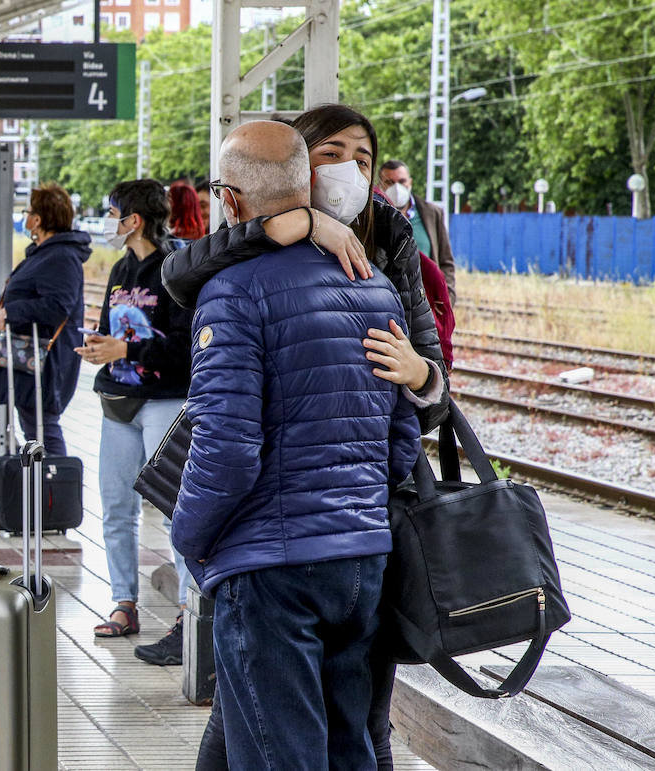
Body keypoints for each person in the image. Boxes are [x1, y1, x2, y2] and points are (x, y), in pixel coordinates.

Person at [165, 103, 449, 771]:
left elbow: (227, 446)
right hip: (360, 553)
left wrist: (190, 536)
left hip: (272, 563)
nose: (352, 169)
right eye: (334, 154)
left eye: (363, 156)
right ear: (302, 170)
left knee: (281, 751)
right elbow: (400, 437)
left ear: (228, 199)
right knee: (342, 746)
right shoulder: (374, 286)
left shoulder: (237, 289)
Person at [73, 180, 195, 664]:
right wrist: (101, 348)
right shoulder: (122, 268)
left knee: (175, 509)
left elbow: (187, 347)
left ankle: (190, 608)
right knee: (115, 508)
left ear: (134, 219)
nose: (107, 220)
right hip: (118, 401)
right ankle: (124, 601)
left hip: (164, 400)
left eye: (112, 212)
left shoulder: (175, 269)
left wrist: (127, 349)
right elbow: (113, 327)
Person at [0, 182, 89, 456]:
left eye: (29, 211)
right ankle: (42, 490)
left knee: (43, 428)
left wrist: (11, 312)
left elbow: (58, 305)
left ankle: (56, 487)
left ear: (39, 219)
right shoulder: (48, 252)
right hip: (30, 360)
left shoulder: (61, 256)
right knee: (34, 426)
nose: (25, 217)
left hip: (46, 361)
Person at [378, 159, 457, 303]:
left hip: (426, 305)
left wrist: (447, 298)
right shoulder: (373, 216)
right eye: (389, 182)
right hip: (388, 302)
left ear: (410, 182)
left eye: (402, 181)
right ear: (379, 185)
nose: (396, 187)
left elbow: (446, 261)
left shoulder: (432, 213)